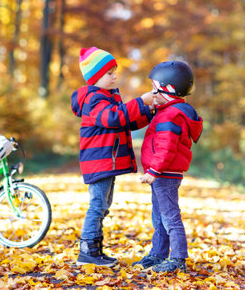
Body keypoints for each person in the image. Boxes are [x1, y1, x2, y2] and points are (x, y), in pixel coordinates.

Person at [71, 47, 157, 267]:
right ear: (96, 77)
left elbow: (125, 122)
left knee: (103, 205)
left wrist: (150, 112)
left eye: (114, 72)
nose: (114, 76)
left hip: (104, 161)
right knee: (98, 204)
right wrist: (141, 101)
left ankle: (95, 250)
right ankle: (88, 250)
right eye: (109, 73)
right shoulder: (93, 99)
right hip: (97, 161)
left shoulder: (106, 97)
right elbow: (112, 118)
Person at [134, 61, 203, 273]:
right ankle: (158, 253)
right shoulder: (167, 111)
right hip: (162, 174)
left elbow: (166, 148)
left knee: (169, 216)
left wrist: (153, 171)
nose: (152, 93)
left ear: (169, 89)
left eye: (155, 89)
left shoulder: (171, 115)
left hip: (164, 174)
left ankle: (178, 258)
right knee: (159, 216)